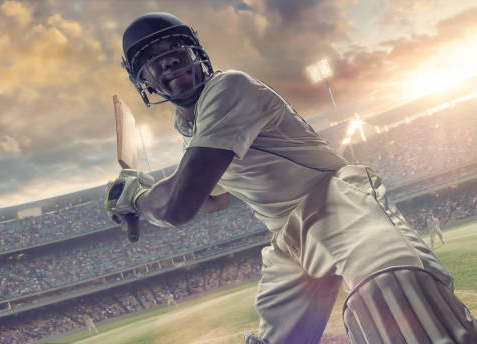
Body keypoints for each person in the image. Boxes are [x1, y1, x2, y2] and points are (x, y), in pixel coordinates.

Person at [106, 12, 477, 343]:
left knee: (393, 288)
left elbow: (179, 205)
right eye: (152, 60)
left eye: (175, 48)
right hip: (288, 236)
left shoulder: (229, 87)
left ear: (196, 53)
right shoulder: (191, 128)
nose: (167, 59)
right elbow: (211, 199)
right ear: (145, 81)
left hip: (334, 199)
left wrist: (138, 198)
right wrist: (148, 194)